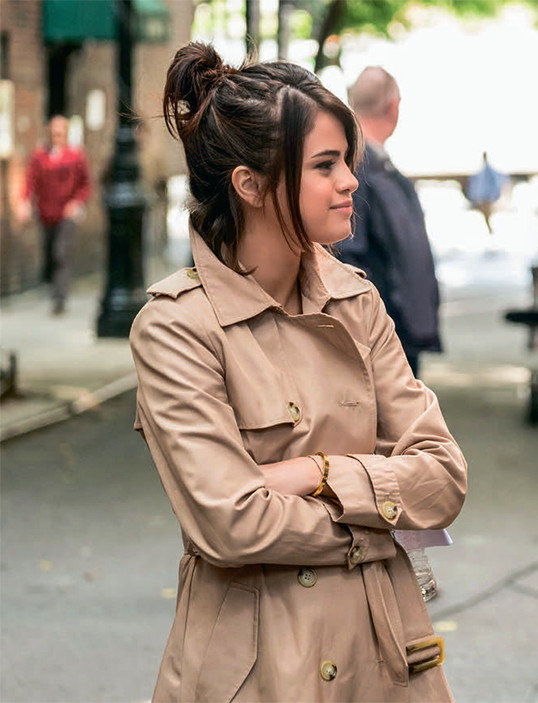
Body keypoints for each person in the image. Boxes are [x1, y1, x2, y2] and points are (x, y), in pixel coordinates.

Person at [130, 42, 466, 701]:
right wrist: (382, 524)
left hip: (382, 659)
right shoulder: (177, 328)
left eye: (346, 161)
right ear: (250, 184)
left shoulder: (357, 301)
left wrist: (319, 472)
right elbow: (232, 524)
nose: (350, 181)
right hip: (254, 672)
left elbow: (443, 478)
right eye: (324, 165)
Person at [336, 66, 441, 379]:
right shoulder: (359, 166)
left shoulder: (370, 164)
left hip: (394, 330)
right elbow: (348, 256)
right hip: (384, 336)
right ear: (393, 107)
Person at [17, 115, 91, 314]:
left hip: (67, 215)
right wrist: (24, 201)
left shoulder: (75, 156)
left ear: (66, 134)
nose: (57, 136)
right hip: (46, 214)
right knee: (51, 252)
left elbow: (85, 185)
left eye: (60, 132)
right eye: (54, 132)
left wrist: (76, 202)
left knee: (61, 252)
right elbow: (31, 180)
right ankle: (53, 287)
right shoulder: (40, 156)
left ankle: (60, 298)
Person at [464, 151, 507, 233]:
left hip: (486, 196)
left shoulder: (485, 172)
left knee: (487, 213)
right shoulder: (482, 172)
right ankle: (489, 228)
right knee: (486, 213)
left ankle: (489, 228)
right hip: (485, 196)